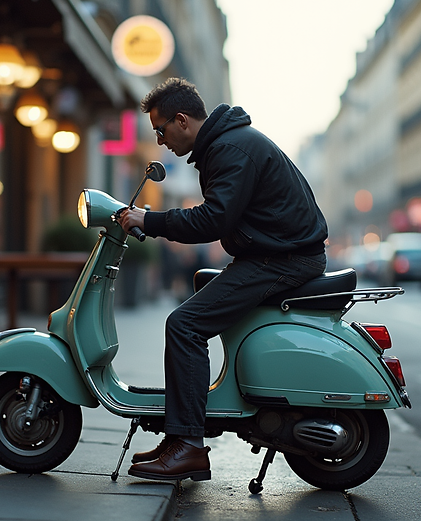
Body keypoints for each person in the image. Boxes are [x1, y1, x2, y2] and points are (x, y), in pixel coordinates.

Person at [116, 78, 328, 482]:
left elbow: (214, 219)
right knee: (198, 298)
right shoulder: (227, 143)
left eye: (161, 130)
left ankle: (188, 445)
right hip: (274, 254)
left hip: (283, 259)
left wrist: (151, 220)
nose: (160, 141)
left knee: (185, 324)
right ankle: (179, 435)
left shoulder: (229, 149)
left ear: (182, 120)